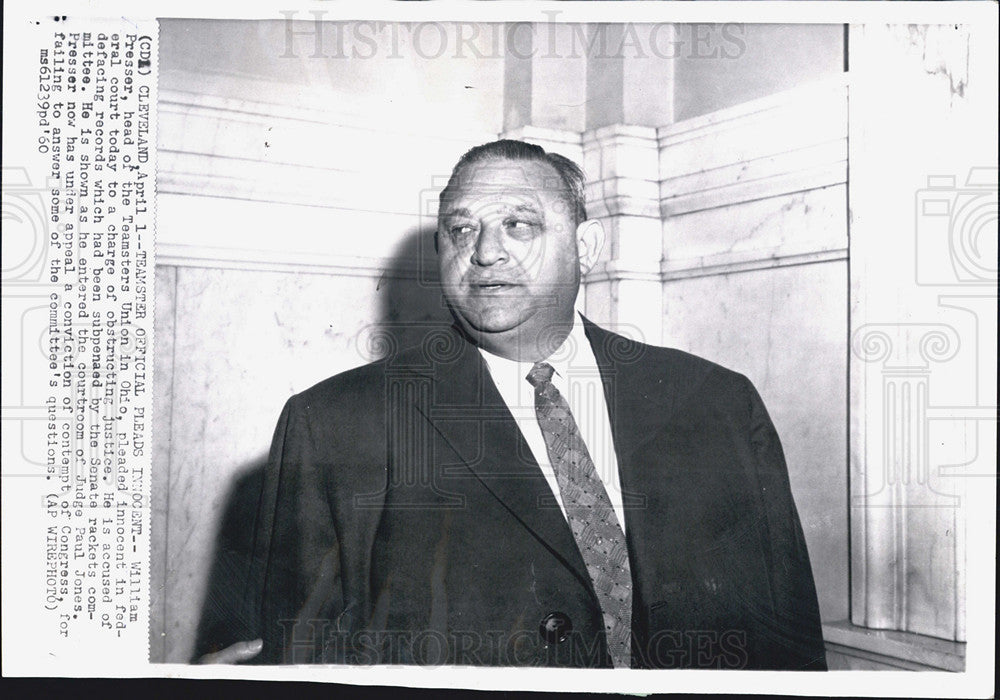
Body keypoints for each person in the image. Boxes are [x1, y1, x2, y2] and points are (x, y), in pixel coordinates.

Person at [198, 139, 827, 669]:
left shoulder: (716, 404)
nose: (485, 252)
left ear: (586, 247)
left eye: (518, 225)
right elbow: (305, 662)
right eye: (461, 228)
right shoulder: (334, 426)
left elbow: (788, 649)